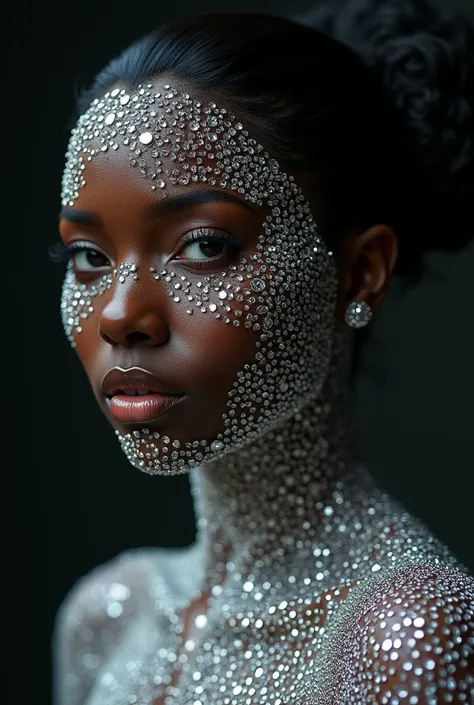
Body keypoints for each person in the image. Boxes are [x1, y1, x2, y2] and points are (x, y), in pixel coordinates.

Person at [52, 0, 474, 702]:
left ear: (359, 271)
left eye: (204, 246)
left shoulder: (406, 634)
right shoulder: (103, 617)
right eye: (89, 255)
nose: (122, 314)